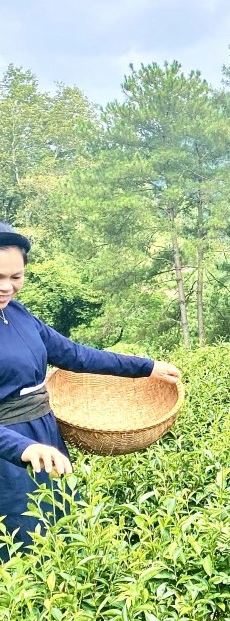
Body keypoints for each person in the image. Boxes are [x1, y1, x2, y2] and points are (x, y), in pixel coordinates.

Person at [0, 223, 181, 557]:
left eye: (16, 277)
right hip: (10, 451)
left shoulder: (19, 314)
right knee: (20, 544)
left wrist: (145, 367)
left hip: (44, 438)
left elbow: (75, 355)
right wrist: (22, 448)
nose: (7, 287)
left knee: (61, 529)